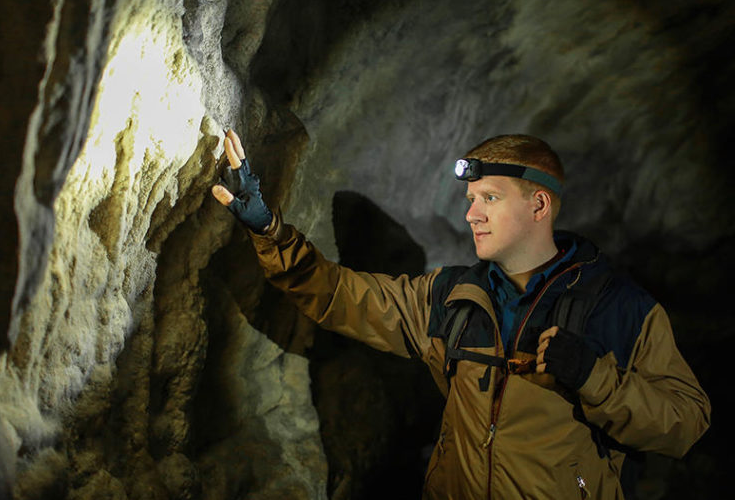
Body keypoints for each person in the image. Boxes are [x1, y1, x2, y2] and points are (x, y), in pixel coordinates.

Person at [211, 130, 710, 499]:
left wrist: (593, 377)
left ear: (539, 205)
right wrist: (269, 230)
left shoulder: (620, 309)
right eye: (471, 200)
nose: (471, 214)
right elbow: (339, 295)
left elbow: (685, 424)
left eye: (489, 199)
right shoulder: (451, 296)